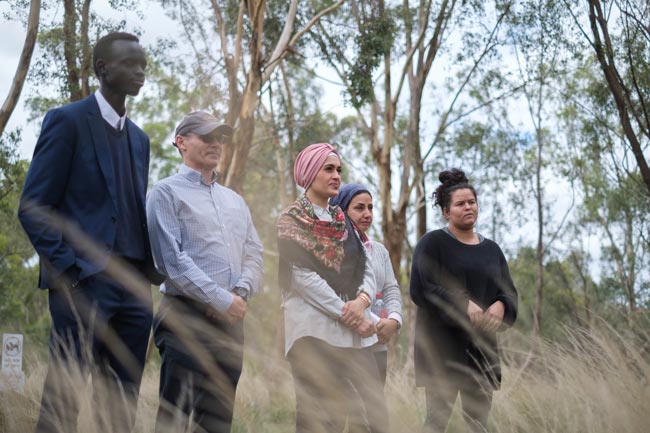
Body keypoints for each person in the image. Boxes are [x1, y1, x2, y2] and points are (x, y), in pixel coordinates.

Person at [18, 32, 164, 433]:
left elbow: (130, 208)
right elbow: (33, 207)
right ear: (102, 69)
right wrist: (70, 270)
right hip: (84, 282)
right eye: (131, 65)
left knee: (120, 406)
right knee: (64, 400)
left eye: (143, 66)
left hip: (134, 288)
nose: (140, 72)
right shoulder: (66, 121)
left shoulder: (140, 139)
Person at [146, 111, 264, 433]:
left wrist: (238, 295)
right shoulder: (165, 192)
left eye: (220, 138)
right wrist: (220, 298)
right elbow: (171, 262)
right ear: (181, 142)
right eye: (206, 136)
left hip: (230, 325)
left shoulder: (235, 201)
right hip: (184, 319)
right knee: (174, 419)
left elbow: (255, 254)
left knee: (216, 424)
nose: (216, 143)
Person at [276, 143, 389, 433]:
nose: (336, 175)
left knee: (371, 414)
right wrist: (347, 312)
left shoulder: (344, 221)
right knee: (319, 420)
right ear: (310, 172)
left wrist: (363, 302)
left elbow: (366, 266)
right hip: (312, 331)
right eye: (329, 169)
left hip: (353, 331)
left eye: (338, 169)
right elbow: (301, 278)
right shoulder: (292, 220)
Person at [409, 168, 518, 433]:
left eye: (472, 202)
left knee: (478, 425)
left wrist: (501, 304)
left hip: (481, 352)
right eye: (460, 204)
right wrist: (461, 302)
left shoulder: (491, 249)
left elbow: (509, 292)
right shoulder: (432, 243)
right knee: (436, 423)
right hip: (442, 351)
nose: (468, 207)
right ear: (447, 211)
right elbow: (420, 288)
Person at [330, 183, 403, 385]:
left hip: (378, 345)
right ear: (342, 211)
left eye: (370, 208)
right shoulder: (332, 249)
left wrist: (394, 321)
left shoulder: (378, 250)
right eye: (359, 208)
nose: (367, 214)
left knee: (374, 412)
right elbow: (339, 295)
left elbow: (391, 288)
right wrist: (372, 321)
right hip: (345, 344)